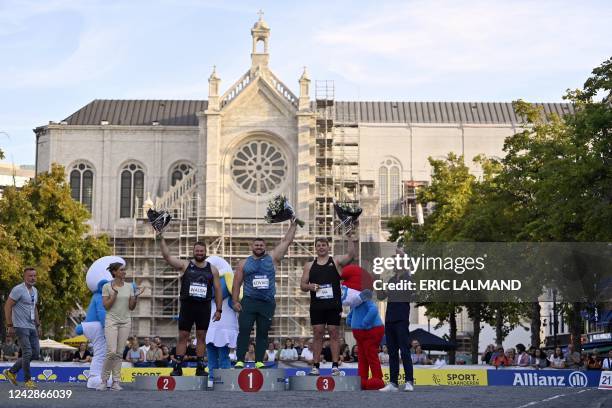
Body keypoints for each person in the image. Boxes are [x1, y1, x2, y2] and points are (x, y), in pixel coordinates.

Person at [232, 221, 298, 369]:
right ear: (252, 247)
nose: (259, 247)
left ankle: (259, 361)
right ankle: (240, 360)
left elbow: (287, 241)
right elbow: (236, 283)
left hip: (267, 303)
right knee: (244, 330)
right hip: (248, 302)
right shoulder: (243, 263)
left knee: (262, 333)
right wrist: (235, 301)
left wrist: (293, 225)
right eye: (256, 245)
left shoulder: (272, 258)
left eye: (261, 245)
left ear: (265, 247)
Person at [159, 237, 223, 376]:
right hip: (188, 306)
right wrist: (161, 238)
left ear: (206, 252)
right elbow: (167, 256)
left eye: (202, 251)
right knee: (183, 336)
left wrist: (219, 310)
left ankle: (200, 367)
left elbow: (218, 290)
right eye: (197, 250)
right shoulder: (185, 265)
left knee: (201, 336)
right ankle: (177, 367)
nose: (199, 253)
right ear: (193, 252)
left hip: (203, 307)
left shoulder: (212, 269)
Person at [300, 235, 356, 375]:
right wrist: (310, 286)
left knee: (333, 333)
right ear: (315, 248)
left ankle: (335, 365)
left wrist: (349, 237)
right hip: (317, 306)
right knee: (318, 334)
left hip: (333, 305)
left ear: (328, 247)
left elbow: (350, 255)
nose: (321, 248)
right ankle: (316, 366)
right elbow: (302, 285)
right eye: (318, 245)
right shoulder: (309, 265)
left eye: (323, 245)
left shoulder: (335, 261)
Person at [98, 262, 143, 391]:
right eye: (121, 270)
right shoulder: (106, 286)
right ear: (115, 272)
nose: (124, 272)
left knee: (119, 353)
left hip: (125, 322)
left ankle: (116, 382)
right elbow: (106, 306)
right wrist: (114, 295)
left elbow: (131, 307)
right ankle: (104, 380)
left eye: (124, 270)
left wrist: (136, 298)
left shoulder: (129, 286)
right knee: (111, 351)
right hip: (111, 321)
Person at [378, 247, 414, 392]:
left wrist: (403, 254)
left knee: (404, 351)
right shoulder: (392, 279)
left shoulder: (408, 278)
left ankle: (409, 382)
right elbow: (381, 296)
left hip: (401, 318)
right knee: (392, 352)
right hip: (390, 319)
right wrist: (379, 285)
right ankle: (393, 383)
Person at [3, 267, 42, 389]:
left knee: (35, 353)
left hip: (32, 326)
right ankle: (27, 380)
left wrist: (38, 325)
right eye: (30, 276)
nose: (33, 278)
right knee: (27, 352)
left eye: (34, 276)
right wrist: (9, 325)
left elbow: (34, 308)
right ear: (24, 277)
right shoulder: (18, 290)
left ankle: (11, 372)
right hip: (20, 326)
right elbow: (7, 306)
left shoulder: (35, 290)